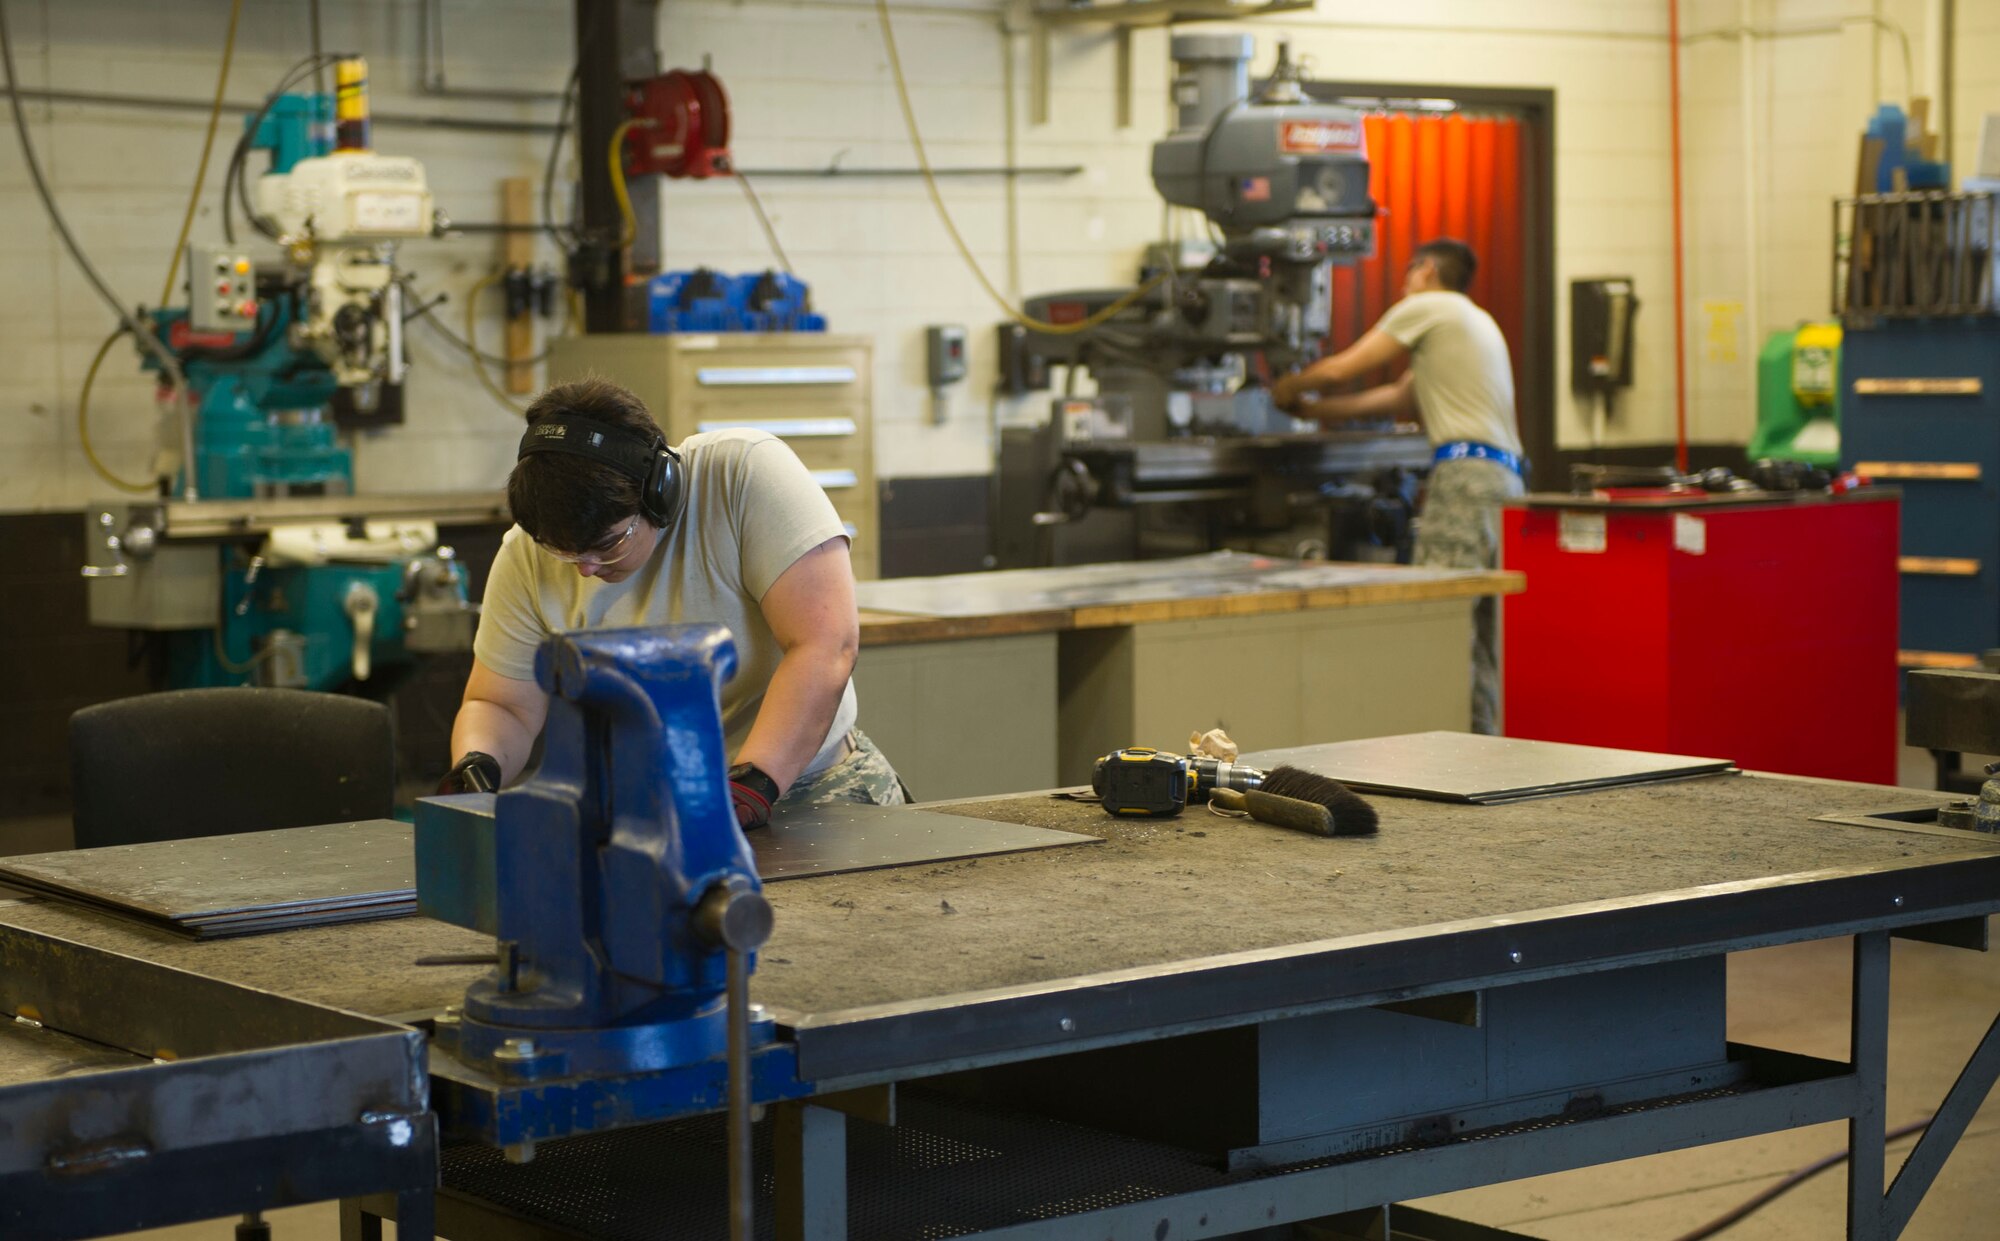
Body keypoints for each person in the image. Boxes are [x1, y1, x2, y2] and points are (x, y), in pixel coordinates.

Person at [437, 376, 904, 826]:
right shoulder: (525, 554)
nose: (585, 569)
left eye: (608, 544)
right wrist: (479, 768)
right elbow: (503, 705)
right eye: (563, 551)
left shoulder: (744, 477)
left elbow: (826, 643)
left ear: (661, 493)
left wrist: (753, 784)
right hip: (653, 803)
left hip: (810, 790)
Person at [1272, 238, 1525, 735]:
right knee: (1481, 633)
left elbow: (1346, 367)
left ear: (1427, 269)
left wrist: (1288, 387)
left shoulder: (1427, 305)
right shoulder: (1473, 322)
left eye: (1409, 272)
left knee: (1441, 617)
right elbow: (1394, 395)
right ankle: (1482, 743)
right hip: (1506, 482)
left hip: (1466, 480)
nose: (1404, 283)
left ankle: (1445, 747)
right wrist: (1315, 412)